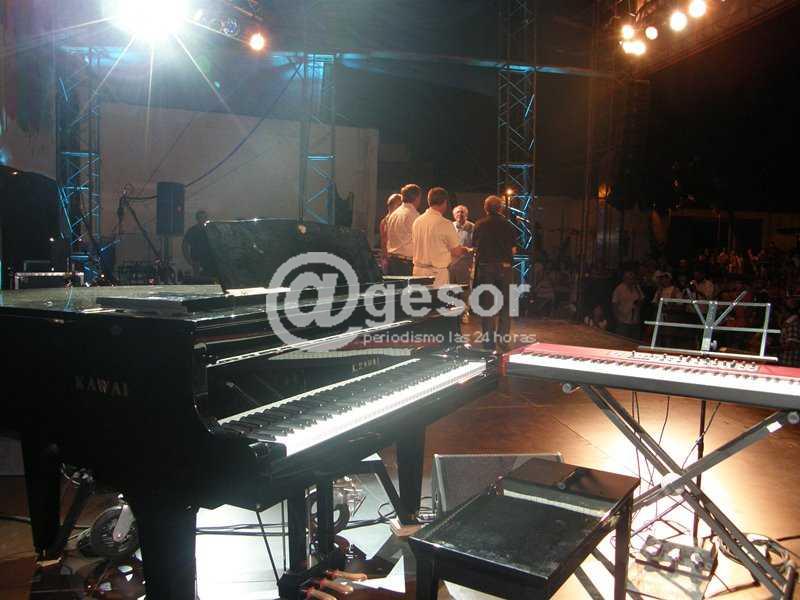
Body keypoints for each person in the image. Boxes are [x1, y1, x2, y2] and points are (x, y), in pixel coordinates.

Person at [473, 195, 517, 351]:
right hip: (505, 267)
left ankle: (489, 342)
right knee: (506, 305)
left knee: (487, 306)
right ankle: (503, 339)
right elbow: (513, 249)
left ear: (485, 208)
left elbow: (475, 247)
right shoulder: (508, 225)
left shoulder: (479, 224)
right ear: (501, 208)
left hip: (486, 268)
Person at [411, 187, 468, 287]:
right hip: (437, 274)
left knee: (420, 297)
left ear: (429, 201)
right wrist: (465, 250)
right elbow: (457, 251)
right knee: (437, 297)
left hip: (418, 272)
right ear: (445, 202)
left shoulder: (417, 221)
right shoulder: (445, 223)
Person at [385, 184, 421, 276]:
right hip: (405, 263)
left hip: (392, 261)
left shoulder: (394, 214)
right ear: (417, 198)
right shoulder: (413, 215)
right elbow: (420, 239)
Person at [448, 205, 475, 297]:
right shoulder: (450, 226)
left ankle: (465, 306)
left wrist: (468, 250)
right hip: (450, 265)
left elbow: (476, 246)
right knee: (450, 292)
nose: (460, 214)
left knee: (464, 293)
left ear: (466, 215)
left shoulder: (472, 227)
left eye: (462, 212)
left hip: (464, 265)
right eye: (457, 212)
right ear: (454, 215)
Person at [611, 270, 644, 340]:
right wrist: (617, 318)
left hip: (635, 320)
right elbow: (614, 304)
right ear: (624, 278)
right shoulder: (619, 289)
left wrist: (638, 304)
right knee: (622, 341)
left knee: (635, 341)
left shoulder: (637, 287)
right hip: (623, 320)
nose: (631, 279)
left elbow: (641, 299)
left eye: (632, 278)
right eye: (628, 277)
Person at [182, 210, 213, 279]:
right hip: (197, 261)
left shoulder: (211, 230)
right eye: (200, 218)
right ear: (197, 219)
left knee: (210, 280)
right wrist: (189, 260)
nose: (203, 220)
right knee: (198, 280)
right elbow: (184, 245)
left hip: (210, 261)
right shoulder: (192, 230)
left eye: (204, 217)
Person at [379, 193, 402, 271]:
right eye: (400, 205)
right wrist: (384, 258)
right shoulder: (385, 221)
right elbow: (383, 241)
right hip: (391, 258)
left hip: (393, 257)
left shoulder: (387, 220)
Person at [779, 298, 800, 367]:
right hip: (787, 360)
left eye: (782, 310)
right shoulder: (790, 322)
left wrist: (775, 349)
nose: (781, 313)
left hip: (790, 362)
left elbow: (792, 344)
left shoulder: (792, 323)